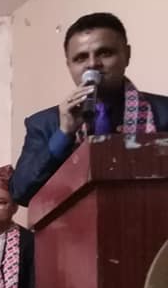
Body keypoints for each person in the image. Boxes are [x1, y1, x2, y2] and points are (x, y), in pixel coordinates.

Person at [11, 12, 168, 206]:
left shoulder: (164, 112)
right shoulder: (44, 124)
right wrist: (64, 133)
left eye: (105, 53)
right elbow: (21, 192)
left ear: (127, 55)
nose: (92, 64)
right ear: (69, 65)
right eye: (80, 58)